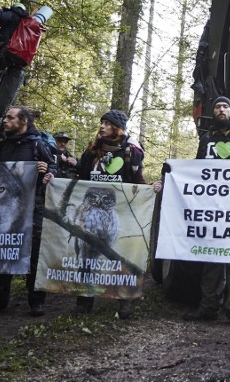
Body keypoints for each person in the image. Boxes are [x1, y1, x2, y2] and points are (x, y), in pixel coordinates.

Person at [0, 106, 57, 318]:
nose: (5, 120)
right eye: (5, 117)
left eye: (10, 117)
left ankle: (36, 302)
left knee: (34, 253)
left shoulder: (38, 145)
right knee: (5, 250)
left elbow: (55, 168)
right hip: (5, 208)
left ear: (23, 122)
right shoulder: (3, 146)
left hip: (34, 205)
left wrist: (47, 172)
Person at [184, 96, 230, 328]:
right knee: (211, 258)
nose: (221, 110)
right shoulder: (206, 138)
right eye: (217, 106)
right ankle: (208, 306)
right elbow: (197, 170)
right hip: (211, 207)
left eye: (225, 106)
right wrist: (175, 172)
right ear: (213, 111)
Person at [74, 110, 145, 319]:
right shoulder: (92, 151)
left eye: (107, 123)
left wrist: (151, 189)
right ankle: (84, 300)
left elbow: (137, 179)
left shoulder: (131, 151)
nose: (102, 126)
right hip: (90, 214)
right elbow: (81, 178)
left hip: (120, 212)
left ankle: (125, 301)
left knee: (122, 255)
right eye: (102, 122)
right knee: (87, 257)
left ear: (118, 127)